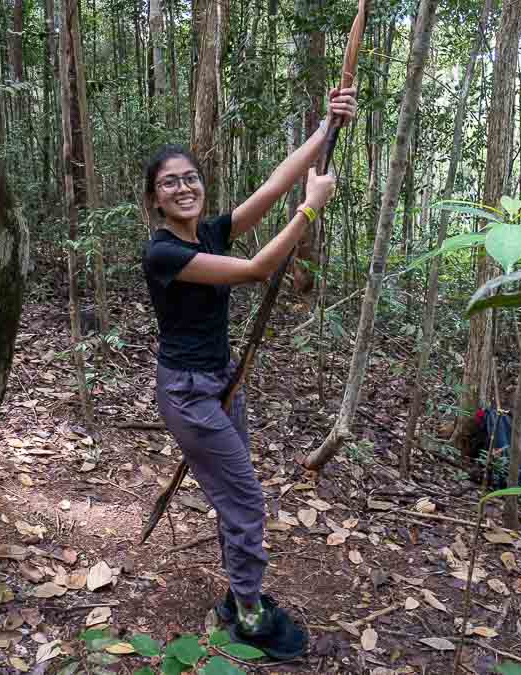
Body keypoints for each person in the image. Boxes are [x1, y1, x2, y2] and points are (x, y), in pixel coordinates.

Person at [141, 87, 357, 659]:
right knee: (245, 501)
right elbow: (260, 269)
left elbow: (273, 186)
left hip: (222, 379)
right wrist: (313, 208)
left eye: (190, 177)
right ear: (155, 200)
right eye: (170, 183)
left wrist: (326, 128)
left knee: (234, 499)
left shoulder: (208, 231)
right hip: (189, 394)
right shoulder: (162, 253)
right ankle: (247, 610)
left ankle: (240, 595)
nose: (184, 187)